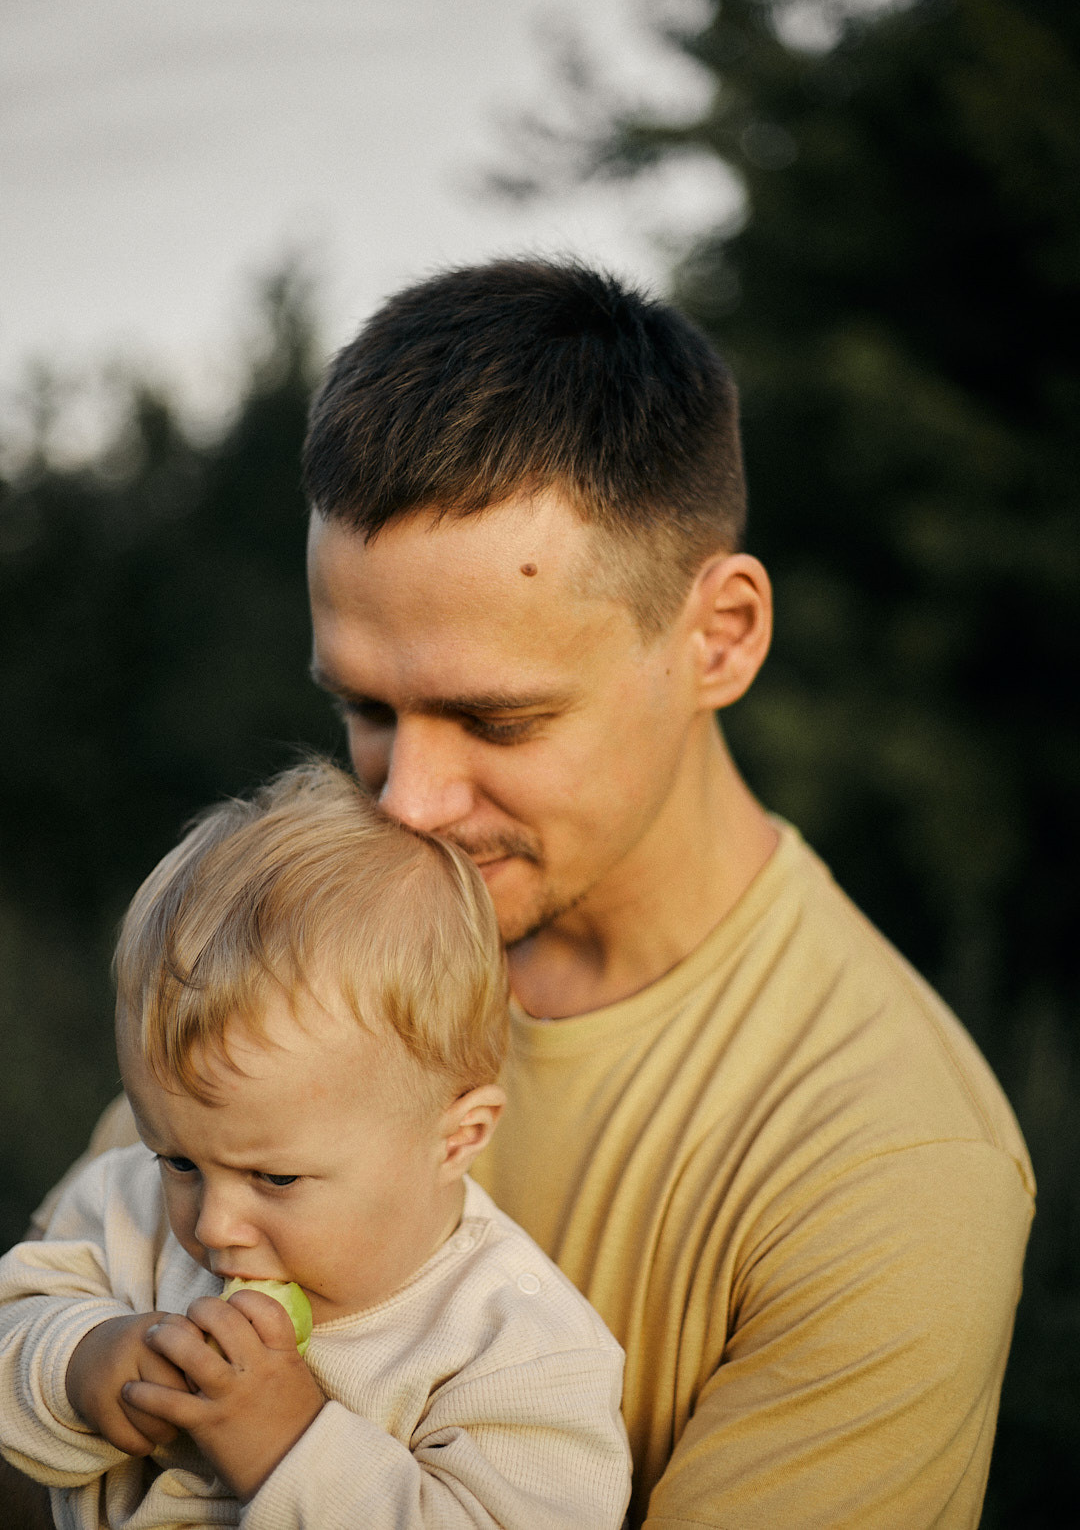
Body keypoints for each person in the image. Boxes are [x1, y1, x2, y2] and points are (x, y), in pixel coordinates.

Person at [20, 259, 1033, 1528]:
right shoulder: (309, 956)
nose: (408, 805)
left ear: (718, 635)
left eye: (496, 717)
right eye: (365, 709)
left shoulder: (886, 1167)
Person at [0, 760, 631, 1530]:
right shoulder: (126, 1207)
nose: (212, 1226)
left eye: (276, 1178)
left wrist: (288, 1445)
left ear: (455, 1139)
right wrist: (80, 1364)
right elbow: (15, 1320)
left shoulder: (515, 1349)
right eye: (182, 1162)